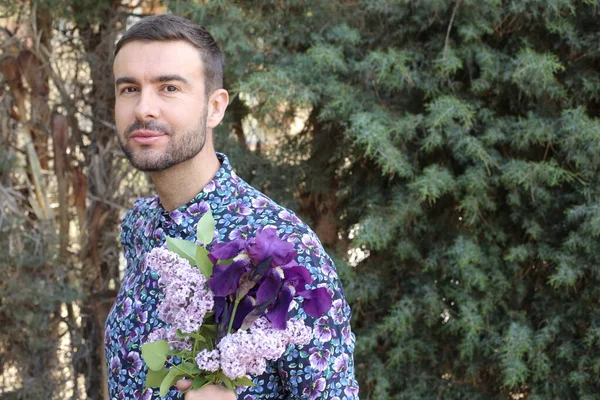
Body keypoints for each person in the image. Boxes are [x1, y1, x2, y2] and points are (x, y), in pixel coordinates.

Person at [105, 14, 359, 400]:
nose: (144, 108)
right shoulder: (141, 225)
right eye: (128, 89)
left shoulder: (281, 249)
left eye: (169, 87)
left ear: (215, 107)